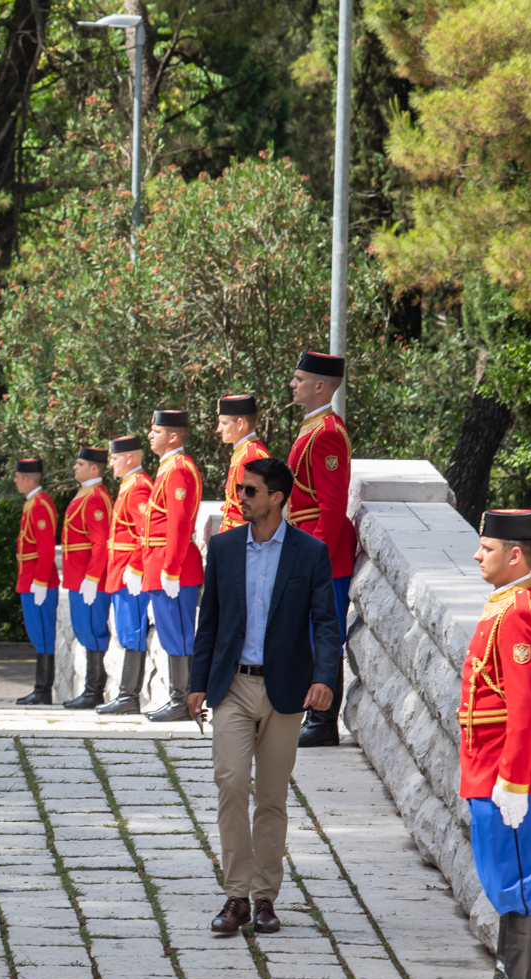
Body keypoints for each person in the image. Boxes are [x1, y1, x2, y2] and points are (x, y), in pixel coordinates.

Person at [184, 458, 340, 939]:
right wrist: (196, 683)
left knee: (272, 797)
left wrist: (325, 679)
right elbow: (209, 620)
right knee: (231, 784)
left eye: (250, 490)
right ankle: (236, 896)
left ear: (276, 497)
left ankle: (265, 897)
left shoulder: (310, 552)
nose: (241, 498)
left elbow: (326, 623)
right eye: (240, 489)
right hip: (232, 685)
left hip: (285, 690)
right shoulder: (224, 547)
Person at [452, 510, 531, 979]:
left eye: (487, 547)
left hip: (510, 776)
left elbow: (526, 704)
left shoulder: (518, 614)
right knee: (500, 880)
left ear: (515, 555)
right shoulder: (504, 605)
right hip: (488, 767)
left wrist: (513, 781)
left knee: (517, 882)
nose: (478, 555)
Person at [286, 351, 356, 747]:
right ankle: (313, 714)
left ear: (319, 386)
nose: (292, 385)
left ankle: (323, 721)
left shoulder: (326, 432)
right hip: (309, 543)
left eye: (298, 379)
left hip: (324, 552)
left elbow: (331, 506)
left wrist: (316, 559)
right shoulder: (313, 426)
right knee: (312, 635)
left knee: (325, 637)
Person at [142, 409, 204, 722]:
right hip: (162, 563)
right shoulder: (168, 468)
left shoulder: (178, 469)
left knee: (179, 635)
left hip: (173, 566)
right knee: (171, 634)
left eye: (156, 431)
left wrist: (170, 568)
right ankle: (178, 698)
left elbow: (179, 523)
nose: (150, 435)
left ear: (173, 436)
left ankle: (183, 702)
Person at [97, 436, 155, 716]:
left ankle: (129, 696)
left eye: (114, 458)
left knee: (133, 633)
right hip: (121, 571)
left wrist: (135, 567)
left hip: (130, 573)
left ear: (129, 458)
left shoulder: (138, 487)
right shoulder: (129, 485)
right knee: (126, 632)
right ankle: (126, 695)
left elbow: (146, 532)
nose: (111, 463)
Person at [60, 446, 113, 710]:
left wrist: (92, 578)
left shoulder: (94, 498)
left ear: (94, 468)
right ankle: (91, 689)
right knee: (85, 631)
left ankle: (94, 691)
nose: (75, 467)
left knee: (93, 632)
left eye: (80, 464)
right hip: (79, 580)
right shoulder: (85, 495)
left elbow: (100, 544)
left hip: (89, 582)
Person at [11, 459, 58, 706]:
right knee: (38, 634)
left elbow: (46, 548)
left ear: (28, 479)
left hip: (37, 581)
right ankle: (41, 689)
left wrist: (40, 582)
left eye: (18, 477)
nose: (15, 481)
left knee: (43, 635)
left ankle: (43, 690)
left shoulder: (39, 504)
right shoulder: (34, 502)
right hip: (30, 579)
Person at [216, 394, 269, 531]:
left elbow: (253, 511)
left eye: (224, 423)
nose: (219, 429)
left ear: (240, 424)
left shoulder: (251, 456)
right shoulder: (244, 452)